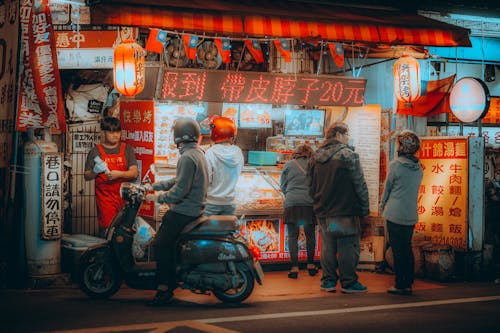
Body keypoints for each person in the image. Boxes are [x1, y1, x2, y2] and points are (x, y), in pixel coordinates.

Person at [147, 117, 208, 306]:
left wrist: (157, 198)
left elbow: (180, 190)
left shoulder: (188, 157)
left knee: (160, 243)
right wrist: (155, 186)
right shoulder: (197, 153)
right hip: (194, 208)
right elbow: (178, 180)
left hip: (185, 210)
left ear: (178, 136)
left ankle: (165, 286)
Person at [308, 122, 369, 293]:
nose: (348, 138)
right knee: (347, 246)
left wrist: (317, 202)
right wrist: (364, 209)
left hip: (323, 211)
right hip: (344, 211)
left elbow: (310, 184)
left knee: (328, 246)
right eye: (347, 134)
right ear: (340, 135)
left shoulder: (315, 156)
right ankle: (349, 282)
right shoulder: (348, 155)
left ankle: (328, 281)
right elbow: (359, 184)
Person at [380, 130, 423, 296]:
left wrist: (382, 205)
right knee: (406, 248)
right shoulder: (418, 167)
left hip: (394, 213)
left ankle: (400, 284)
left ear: (403, 147)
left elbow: (387, 189)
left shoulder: (396, 165)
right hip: (410, 213)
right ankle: (408, 282)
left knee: (398, 250)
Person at [84, 117, 138, 238]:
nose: (115, 135)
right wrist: (95, 171)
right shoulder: (95, 151)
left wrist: (119, 174)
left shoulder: (127, 149)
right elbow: (86, 176)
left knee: (125, 231)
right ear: (103, 133)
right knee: (107, 231)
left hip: (125, 198)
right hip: (105, 200)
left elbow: (134, 173)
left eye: (117, 132)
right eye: (111, 132)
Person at [280, 144, 318, 279]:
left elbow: (283, 185)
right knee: (310, 235)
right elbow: (317, 184)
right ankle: (311, 265)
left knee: (293, 236)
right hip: (309, 204)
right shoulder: (314, 164)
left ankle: (294, 267)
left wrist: (290, 194)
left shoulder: (289, 164)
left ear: (296, 153)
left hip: (292, 203)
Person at [204, 116, 244, 216]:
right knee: (227, 229)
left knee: (209, 230)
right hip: (230, 204)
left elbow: (206, 179)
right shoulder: (238, 152)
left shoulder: (210, 152)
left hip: (212, 203)